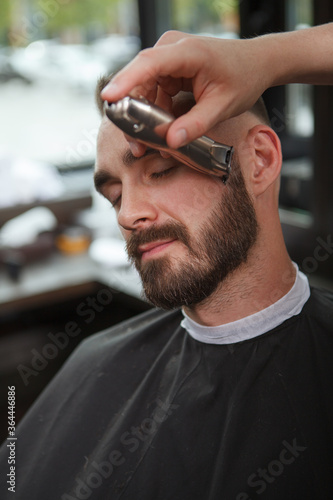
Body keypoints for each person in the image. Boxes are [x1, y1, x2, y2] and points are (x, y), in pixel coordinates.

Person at [1, 24, 333, 500]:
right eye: (114, 195)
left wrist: (268, 57)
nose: (130, 213)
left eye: (160, 169)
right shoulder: (94, 362)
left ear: (258, 160)